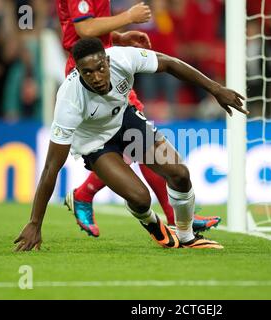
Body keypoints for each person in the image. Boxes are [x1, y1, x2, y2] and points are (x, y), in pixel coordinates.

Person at [14, 38, 247, 251]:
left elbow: (170, 63)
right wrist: (35, 222)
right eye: (87, 73)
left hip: (125, 120)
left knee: (179, 174)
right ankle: (152, 223)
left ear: (107, 60)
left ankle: (186, 236)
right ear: (78, 72)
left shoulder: (123, 57)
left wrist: (216, 89)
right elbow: (50, 169)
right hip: (95, 144)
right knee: (140, 198)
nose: (96, 77)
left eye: (100, 68)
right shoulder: (69, 100)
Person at [57, 0, 221, 238]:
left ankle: (86, 194)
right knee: (133, 143)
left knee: (138, 142)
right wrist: (129, 16)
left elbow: (82, 29)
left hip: (105, 59)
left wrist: (117, 37)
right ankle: (86, 194)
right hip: (91, 72)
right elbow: (84, 29)